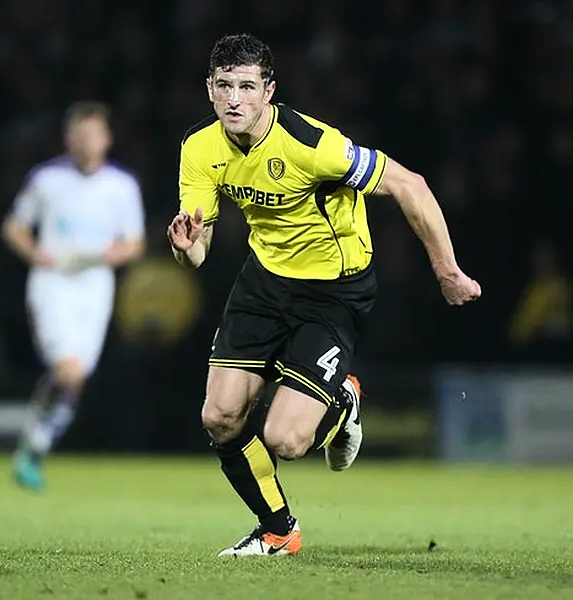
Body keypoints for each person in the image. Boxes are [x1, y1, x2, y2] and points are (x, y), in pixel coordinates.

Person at [167, 33, 481, 556]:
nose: (235, 99)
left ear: (269, 91)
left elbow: (410, 185)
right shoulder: (199, 149)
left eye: (247, 86)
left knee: (286, 441)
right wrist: (185, 248)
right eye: (225, 86)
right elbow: (199, 251)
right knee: (218, 417)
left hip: (334, 291)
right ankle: (278, 531)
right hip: (264, 281)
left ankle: (343, 400)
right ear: (209, 90)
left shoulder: (314, 145)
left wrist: (447, 270)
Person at [3, 101, 146, 489]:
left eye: (95, 135)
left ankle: (32, 447)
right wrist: (35, 253)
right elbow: (14, 227)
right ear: (69, 139)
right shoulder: (46, 179)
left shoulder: (122, 186)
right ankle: (34, 447)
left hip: (95, 286)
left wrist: (106, 254)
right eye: (80, 135)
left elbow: (135, 243)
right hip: (53, 283)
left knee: (75, 379)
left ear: (107, 139)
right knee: (68, 370)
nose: (88, 143)